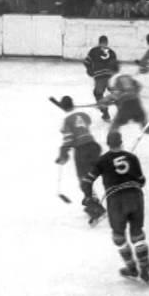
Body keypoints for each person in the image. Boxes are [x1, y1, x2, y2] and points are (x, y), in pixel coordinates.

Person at [81, 131, 149, 284]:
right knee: (137, 234)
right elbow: (142, 181)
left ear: (108, 143)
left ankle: (132, 267)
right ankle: (144, 268)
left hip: (116, 200)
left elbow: (86, 181)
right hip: (135, 196)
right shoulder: (132, 158)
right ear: (121, 142)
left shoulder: (102, 160)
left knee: (118, 236)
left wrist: (89, 198)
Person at [54, 96, 107, 225]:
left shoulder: (67, 121)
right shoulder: (83, 114)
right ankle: (94, 200)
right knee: (96, 174)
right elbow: (86, 122)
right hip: (94, 147)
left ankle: (95, 207)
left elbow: (68, 139)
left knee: (84, 179)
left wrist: (63, 156)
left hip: (82, 151)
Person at [98, 73, 149, 152]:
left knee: (114, 127)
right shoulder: (130, 79)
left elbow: (115, 95)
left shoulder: (115, 81)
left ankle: (114, 149)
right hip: (136, 104)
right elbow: (138, 87)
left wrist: (103, 102)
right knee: (146, 127)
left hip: (125, 107)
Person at [83, 35, 119, 122]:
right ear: (107, 42)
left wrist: (90, 70)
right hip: (110, 76)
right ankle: (122, 109)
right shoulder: (112, 52)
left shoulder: (93, 50)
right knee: (115, 94)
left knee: (98, 94)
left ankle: (105, 113)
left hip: (99, 76)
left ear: (99, 42)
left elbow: (86, 62)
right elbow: (116, 66)